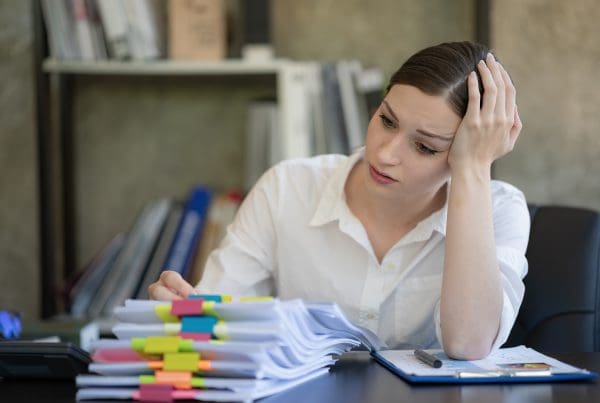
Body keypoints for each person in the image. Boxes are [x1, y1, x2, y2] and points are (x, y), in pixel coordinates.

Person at [148, 41, 529, 360]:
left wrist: (475, 168)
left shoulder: (500, 209)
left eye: (425, 147)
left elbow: (468, 344)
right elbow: (215, 316)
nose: (384, 154)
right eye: (387, 121)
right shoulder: (288, 187)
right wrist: (184, 311)